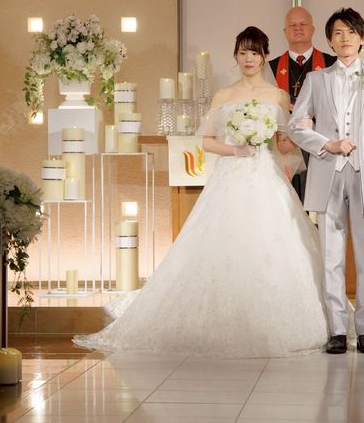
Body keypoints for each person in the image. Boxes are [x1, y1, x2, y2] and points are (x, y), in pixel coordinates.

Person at [74, 27, 328, 358]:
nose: (248, 58)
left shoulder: (278, 96)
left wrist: (300, 132)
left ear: (265, 56)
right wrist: (235, 149)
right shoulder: (223, 96)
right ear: (235, 56)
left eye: (254, 52)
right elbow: (206, 141)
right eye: (242, 52)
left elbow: (282, 144)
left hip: (265, 175)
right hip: (231, 175)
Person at [289, 8, 364, 355]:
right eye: (338, 33)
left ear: (362, 38)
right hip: (328, 173)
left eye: (351, 32)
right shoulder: (316, 79)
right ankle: (337, 329)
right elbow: (296, 126)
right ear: (330, 41)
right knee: (331, 256)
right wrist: (327, 144)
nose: (345, 38)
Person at [269, 7, 336, 202]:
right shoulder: (270, 67)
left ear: (313, 29)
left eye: (303, 24)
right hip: (283, 148)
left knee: (318, 205)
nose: (297, 28)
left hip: (321, 146)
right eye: (292, 25)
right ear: (285, 31)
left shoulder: (331, 63)